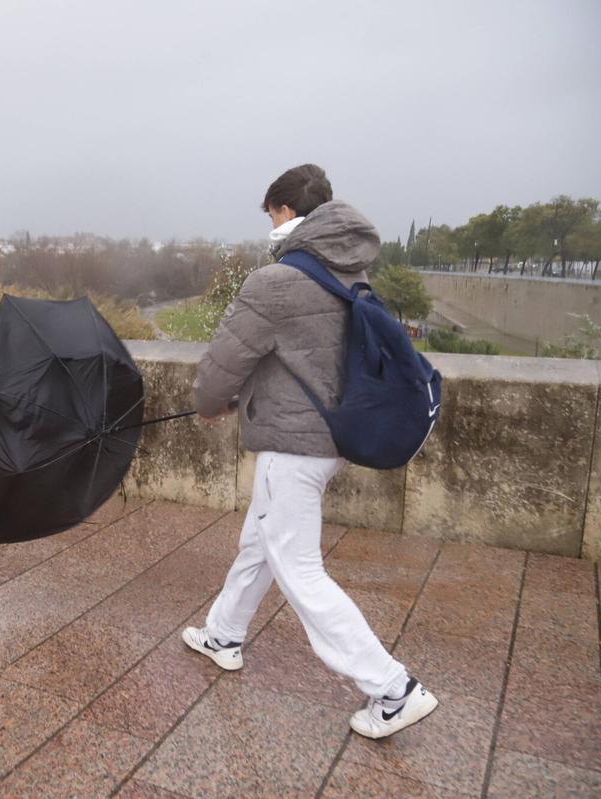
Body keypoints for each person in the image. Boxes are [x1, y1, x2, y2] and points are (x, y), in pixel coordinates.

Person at [182, 164, 438, 739]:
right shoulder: (350, 270)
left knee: (298, 567)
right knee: (261, 541)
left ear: (284, 211)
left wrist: (210, 404)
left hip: (292, 446)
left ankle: (392, 689)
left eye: (270, 214)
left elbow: (224, 361)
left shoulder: (274, 282)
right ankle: (223, 634)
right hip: (332, 436)